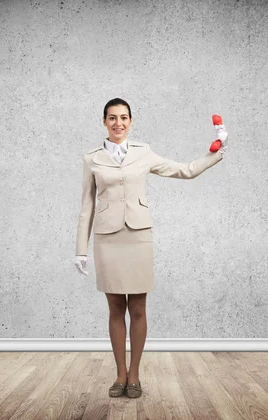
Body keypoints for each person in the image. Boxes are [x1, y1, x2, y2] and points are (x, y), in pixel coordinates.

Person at [74, 98, 227, 398]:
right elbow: (86, 206)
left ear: (131, 121)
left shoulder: (144, 153)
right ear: (103, 121)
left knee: (139, 308)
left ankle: (135, 375)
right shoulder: (91, 158)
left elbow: (184, 171)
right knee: (115, 309)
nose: (118, 123)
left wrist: (216, 153)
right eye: (112, 118)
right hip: (107, 237)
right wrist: (81, 249)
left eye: (124, 118)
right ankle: (120, 376)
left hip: (138, 235)